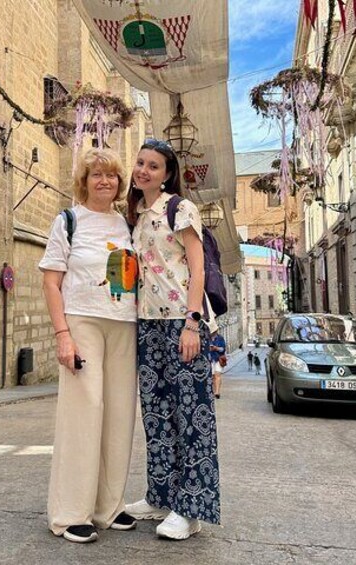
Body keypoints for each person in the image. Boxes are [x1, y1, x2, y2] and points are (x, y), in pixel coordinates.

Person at [39, 148, 138, 544]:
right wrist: (62, 334)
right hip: (82, 322)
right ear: (84, 181)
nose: (105, 181)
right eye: (96, 175)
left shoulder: (127, 223)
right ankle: (69, 513)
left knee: (118, 414)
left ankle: (107, 507)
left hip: (124, 325)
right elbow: (50, 281)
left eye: (111, 176)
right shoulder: (68, 221)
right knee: (84, 412)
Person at [124, 138, 221, 540]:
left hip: (183, 322)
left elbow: (197, 270)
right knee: (157, 415)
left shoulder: (179, 208)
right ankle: (161, 495)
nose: (144, 170)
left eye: (153, 166)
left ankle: (191, 508)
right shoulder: (138, 215)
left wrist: (192, 323)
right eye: (140, 163)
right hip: (147, 324)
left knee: (191, 417)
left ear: (167, 174)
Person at [210, 331, 227, 399]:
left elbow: (223, 349)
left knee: (217, 375)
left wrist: (216, 348)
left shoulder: (220, 338)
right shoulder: (207, 337)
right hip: (210, 359)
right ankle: (214, 391)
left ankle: (217, 392)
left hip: (218, 359)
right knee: (213, 376)